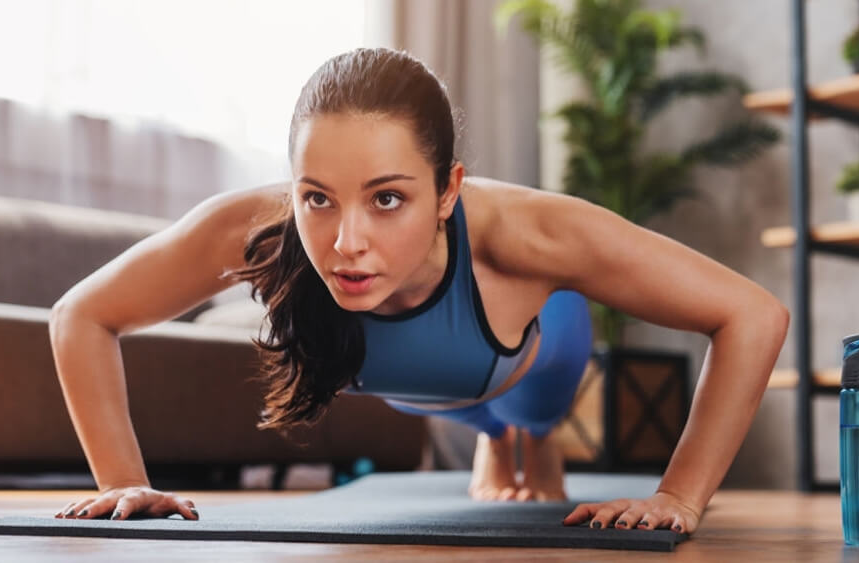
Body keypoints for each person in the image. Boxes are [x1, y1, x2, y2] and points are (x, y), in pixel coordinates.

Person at [50, 47, 788, 534]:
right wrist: (123, 481)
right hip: (422, 380)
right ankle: (494, 438)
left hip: (532, 346)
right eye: (318, 197)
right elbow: (82, 314)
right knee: (461, 404)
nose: (346, 242)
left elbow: (751, 313)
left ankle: (525, 433)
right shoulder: (254, 228)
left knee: (531, 406)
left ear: (446, 192)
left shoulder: (530, 234)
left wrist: (680, 494)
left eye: (388, 199)